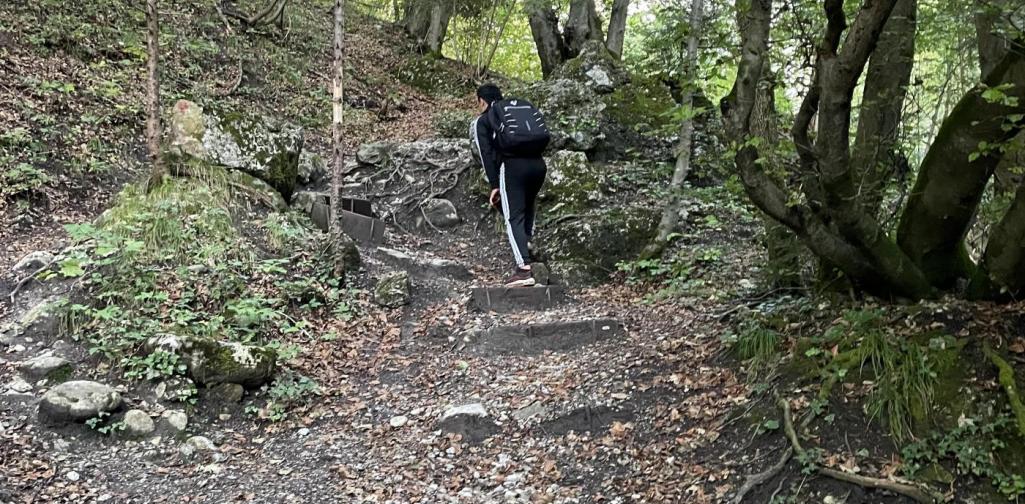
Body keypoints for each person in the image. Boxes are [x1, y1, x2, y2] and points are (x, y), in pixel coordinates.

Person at [470, 83, 549, 288]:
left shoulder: (484, 121)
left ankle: (523, 270)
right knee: (527, 207)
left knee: (513, 216)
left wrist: (494, 184)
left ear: (482, 101)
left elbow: (486, 154)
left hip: (513, 168)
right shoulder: (514, 114)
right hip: (538, 165)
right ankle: (527, 245)